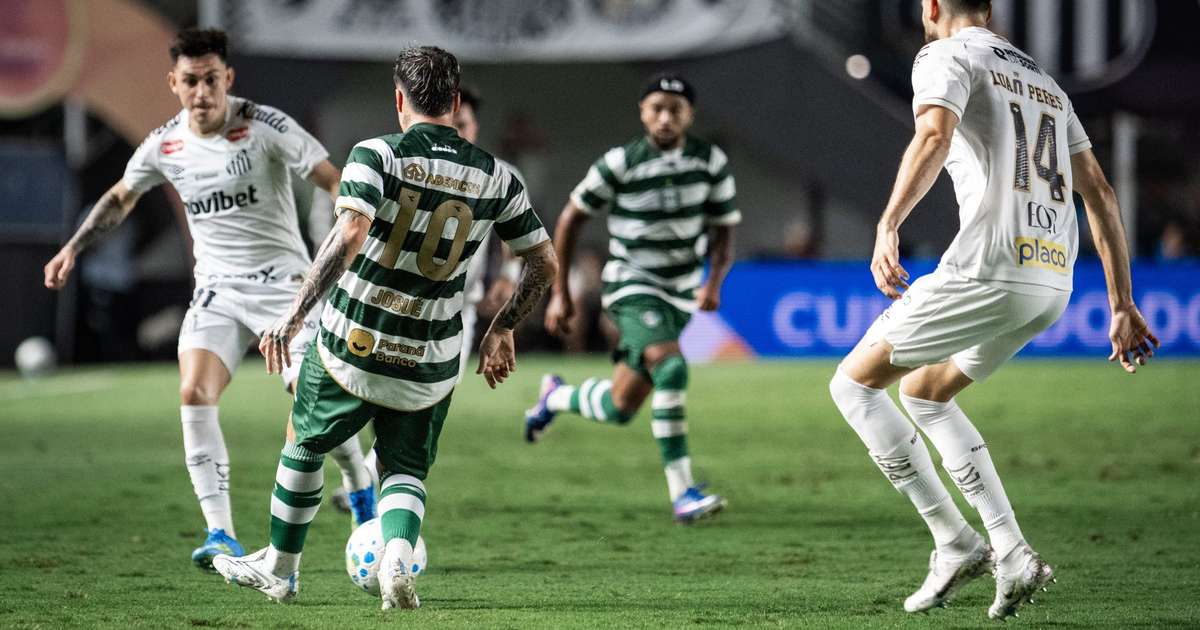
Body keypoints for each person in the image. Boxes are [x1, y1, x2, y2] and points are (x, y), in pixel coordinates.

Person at [827, 0, 1159, 619]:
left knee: (853, 388)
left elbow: (933, 133)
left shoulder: (945, 54)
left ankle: (956, 542)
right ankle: (1008, 550)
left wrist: (888, 223)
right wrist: (1122, 303)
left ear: (931, 8)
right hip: (1051, 282)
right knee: (925, 394)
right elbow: (1101, 193)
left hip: (988, 268)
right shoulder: (1044, 82)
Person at [212, 46, 557, 610]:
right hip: (433, 355)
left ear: (399, 99)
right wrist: (500, 327)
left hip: (356, 341)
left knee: (303, 443)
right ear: (454, 96)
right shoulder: (498, 176)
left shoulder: (376, 155)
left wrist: (294, 314)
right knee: (404, 467)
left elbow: (348, 235)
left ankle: (281, 568)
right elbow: (544, 264)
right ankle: (397, 558)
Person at [41, 28, 376, 570]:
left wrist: (353, 236)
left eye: (212, 80)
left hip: (285, 288)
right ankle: (220, 532)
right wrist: (73, 249)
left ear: (229, 79)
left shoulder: (266, 126)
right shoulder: (165, 145)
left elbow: (330, 177)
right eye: (191, 81)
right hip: (217, 290)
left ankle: (360, 485)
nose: (202, 92)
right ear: (174, 83)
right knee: (195, 392)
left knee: (311, 406)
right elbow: (120, 197)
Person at [524, 73, 739, 523]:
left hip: (678, 294)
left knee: (621, 405)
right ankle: (682, 493)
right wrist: (560, 293)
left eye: (674, 109)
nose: (665, 117)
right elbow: (568, 221)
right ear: (642, 112)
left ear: (689, 115)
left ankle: (555, 397)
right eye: (656, 108)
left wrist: (714, 281)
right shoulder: (619, 162)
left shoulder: (710, 162)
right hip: (631, 283)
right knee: (673, 366)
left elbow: (723, 229)